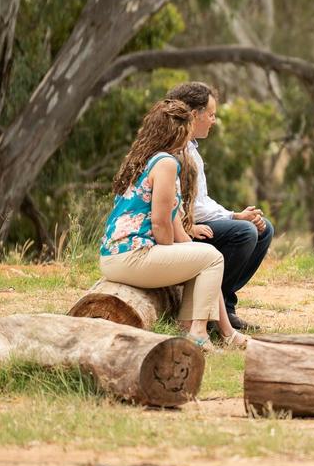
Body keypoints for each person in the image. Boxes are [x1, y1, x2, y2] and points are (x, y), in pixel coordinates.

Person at [99, 100, 247, 351]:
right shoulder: (166, 163)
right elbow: (159, 223)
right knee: (211, 257)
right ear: (179, 130)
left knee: (203, 256)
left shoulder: (143, 159)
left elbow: (173, 221)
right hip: (132, 256)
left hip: (113, 256)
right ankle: (198, 334)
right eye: (188, 128)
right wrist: (172, 250)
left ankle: (211, 330)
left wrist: (185, 250)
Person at [166, 81, 273, 331]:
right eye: (211, 115)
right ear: (194, 115)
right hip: (180, 229)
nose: (213, 121)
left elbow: (201, 200)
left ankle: (225, 304)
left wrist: (234, 214)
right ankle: (211, 311)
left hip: (194, 221)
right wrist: (236, 219)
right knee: (245, 232)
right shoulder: (176, 150)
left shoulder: (191, 149)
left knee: (263, 229)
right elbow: (191, 209)